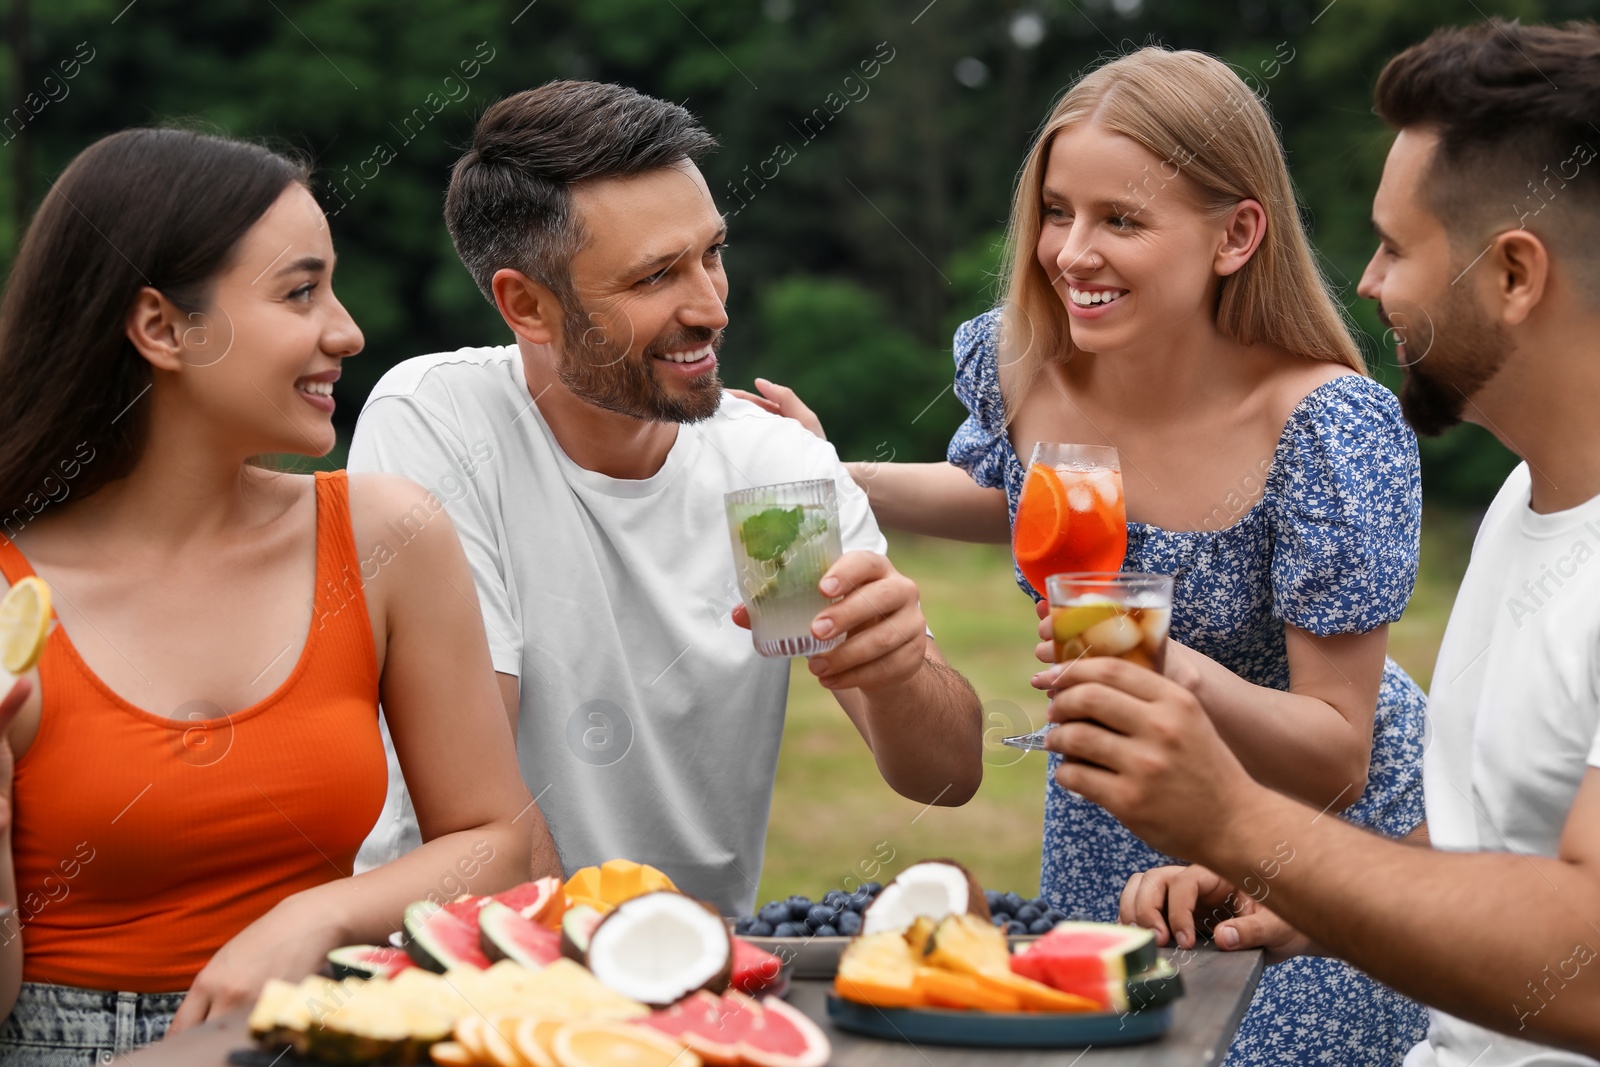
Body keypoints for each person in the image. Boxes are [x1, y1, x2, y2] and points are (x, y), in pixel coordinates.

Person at [740, 46, 1429, 1064]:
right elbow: (1003, 492)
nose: (1068, 252)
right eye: (1057, 210)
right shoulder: (1029, 361)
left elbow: (1338, 749)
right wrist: (838, 474)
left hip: (1297, 850)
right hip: (1108, 811)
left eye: (1120, 219)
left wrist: (1162, 668)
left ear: (1236, 233)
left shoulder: (1324, 429)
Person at [1059, 19, 1600, 1064]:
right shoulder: (1525, 502)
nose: (1367, 282)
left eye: (1397, 246)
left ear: (1514, 275)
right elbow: (1497, 848)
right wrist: (1296, 881)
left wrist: (1234, 821)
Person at [349, 81, 985, 915]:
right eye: (656, 277)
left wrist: (898, 671)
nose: (712, 307)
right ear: (527, 305)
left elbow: (946, 778)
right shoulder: (440, 421)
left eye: (711, 253)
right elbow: (479, 801)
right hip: (471, 962)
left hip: (694, 976)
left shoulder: (771, 470)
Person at [0, 129, 559, 1064]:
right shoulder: (15, 599)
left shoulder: (387, 538)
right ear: (162, 328)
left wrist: (317, 915)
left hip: (323, 1029)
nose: (347, 331)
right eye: (301, 292)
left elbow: (496, 844)